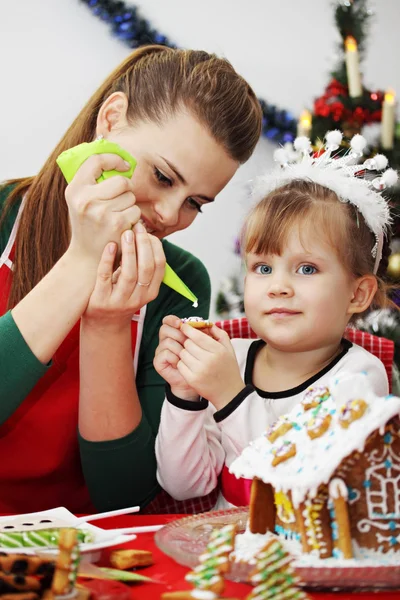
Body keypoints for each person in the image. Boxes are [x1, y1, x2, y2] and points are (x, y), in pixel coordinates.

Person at [0, 44, 262, 514]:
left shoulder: (180, 281)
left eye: (195, 203)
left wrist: (107, 328)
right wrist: (82, 261)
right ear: (111, 119)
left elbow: (123, 498)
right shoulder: (4, 219)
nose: (168, 215)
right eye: (162, 177)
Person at [154, 130, 398, 510]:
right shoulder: (230, 359)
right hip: (223, 558)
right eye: (263, 267)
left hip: (306, 564)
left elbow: (300, 484)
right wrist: (184, 395)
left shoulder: (358, 379)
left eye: (306, 268)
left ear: (357, 294)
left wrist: (231, 397)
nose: (278, 286)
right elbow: (185, 486)